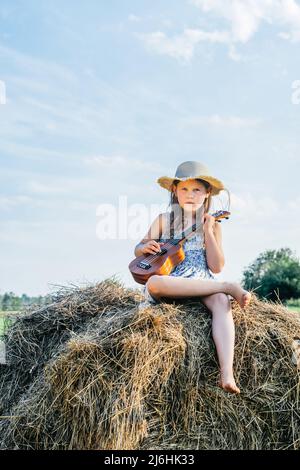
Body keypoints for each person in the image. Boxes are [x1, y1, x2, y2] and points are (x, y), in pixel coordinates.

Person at [134, 161, 252, 394]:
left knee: (220, 301)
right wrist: (146, 248)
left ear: (207, 193)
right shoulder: (163, 220)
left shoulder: (213, 225)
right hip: (172, 279)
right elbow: (138, 248)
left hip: (203, 279)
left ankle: (227, 375)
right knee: (153, 283)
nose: (190, 195)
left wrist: (208, 231)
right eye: (184, 189)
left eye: (196, 189)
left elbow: (216, 266)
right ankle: (228, 287)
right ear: (174, 192)